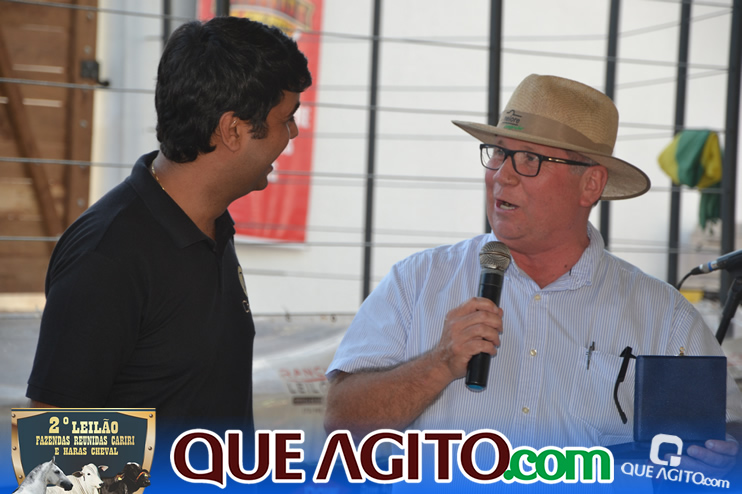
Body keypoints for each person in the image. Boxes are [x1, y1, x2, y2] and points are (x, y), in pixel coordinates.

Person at [324, 75, 742, 483]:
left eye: (529, 159)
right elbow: (340, 429)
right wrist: (438, 364)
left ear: (590, 184)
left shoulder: (663, 316)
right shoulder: (417, 282)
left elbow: (723, 439)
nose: (501, 175)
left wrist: (718, 463)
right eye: (498, 153)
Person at [25, 16, 312, 430]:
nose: (294, 133)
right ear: (233, 130)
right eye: (286, 118)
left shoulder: (212, 226)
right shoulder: (107, 256)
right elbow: (52, 451)